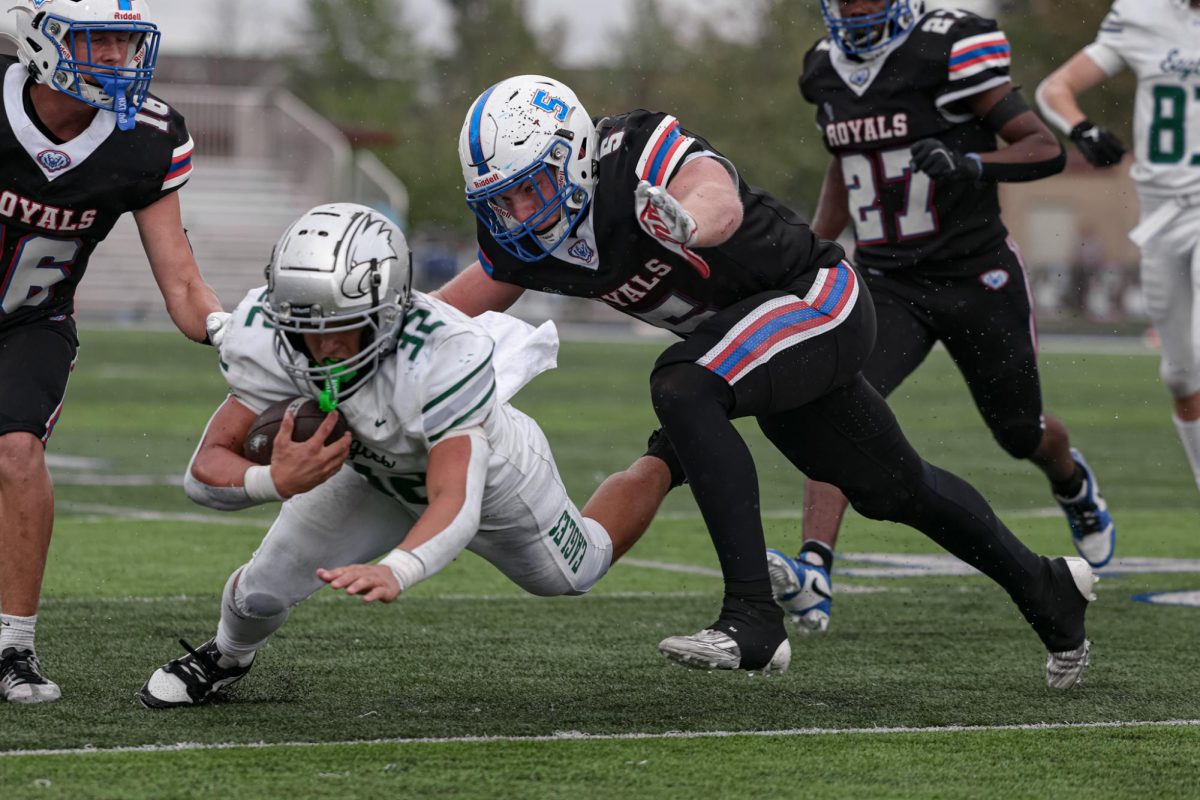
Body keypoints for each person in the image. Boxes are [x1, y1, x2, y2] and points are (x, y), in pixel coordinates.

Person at [437, 73, 1098, 687]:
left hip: (815, 298)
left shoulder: (631, 151)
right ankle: (1048, 591)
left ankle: (753, 618)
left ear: (574, 156)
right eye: (501, 198)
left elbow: (713, 187)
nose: (519, 211)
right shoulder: (527, 240)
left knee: (683, 383)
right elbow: (449, 308)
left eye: (531, 186)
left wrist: (689, 222)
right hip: (751, 343)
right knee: (895, 488)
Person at [138, 203, 679, 708]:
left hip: (489, 477)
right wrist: (273, 480)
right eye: (303, 329)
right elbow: (203, 472)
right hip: (367, 468)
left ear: (388, 309)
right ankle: (227, 656)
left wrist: (401, 567)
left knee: (575, 572)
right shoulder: (266, 333)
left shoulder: (446, 353)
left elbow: (456, 497)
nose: (319, 349)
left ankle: (668, 457)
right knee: (260, 590)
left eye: (339, 329)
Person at [771, 0, 1116, 636]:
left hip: (972, 273)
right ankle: (815, 565)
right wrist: (812, 255)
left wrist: (970, 163)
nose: (855, 8)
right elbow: (847, 167)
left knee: (1020, 433)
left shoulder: (951, 43)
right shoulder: (823, 67)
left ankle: (1071, 483)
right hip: (886, 277)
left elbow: (1039, 146)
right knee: (837, 402)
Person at [0, 0, 227, 705]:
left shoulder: (146, 139)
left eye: (126, 44)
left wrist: (238, 335)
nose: (118, 60)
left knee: (17, 452)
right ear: (41, 38)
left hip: (29, 322)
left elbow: (183, 284)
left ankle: (12, 649)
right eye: (98, 41)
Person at [1037, 0, 1200, 495]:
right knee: (1179, 376)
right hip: (1161, 213)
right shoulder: (1144, 14)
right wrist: (1083, 129)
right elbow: (1055, 88)